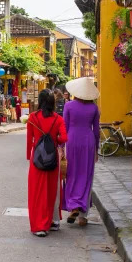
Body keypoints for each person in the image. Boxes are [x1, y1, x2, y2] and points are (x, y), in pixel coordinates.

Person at [26, 89, 68, 237]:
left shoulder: (32, 117)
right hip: (52, 158)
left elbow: (29, 140)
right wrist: (55, 139)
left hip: (36, 158)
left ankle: (39, 226)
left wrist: (28, 156)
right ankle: (51, 221)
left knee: (37, 192)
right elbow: (64, 138)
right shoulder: (58, 119)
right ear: (53, 102)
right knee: (51, 191)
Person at [62, 77, 100, 227]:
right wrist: (96, 149)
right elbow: (96, 131)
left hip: (72, 141)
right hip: (88, 142)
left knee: (71, 173)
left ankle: (73, 205)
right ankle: (83, 216)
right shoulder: (94, 108)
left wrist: (61, 147)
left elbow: (64, 128)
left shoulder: (69, 106)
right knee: (86, 175)